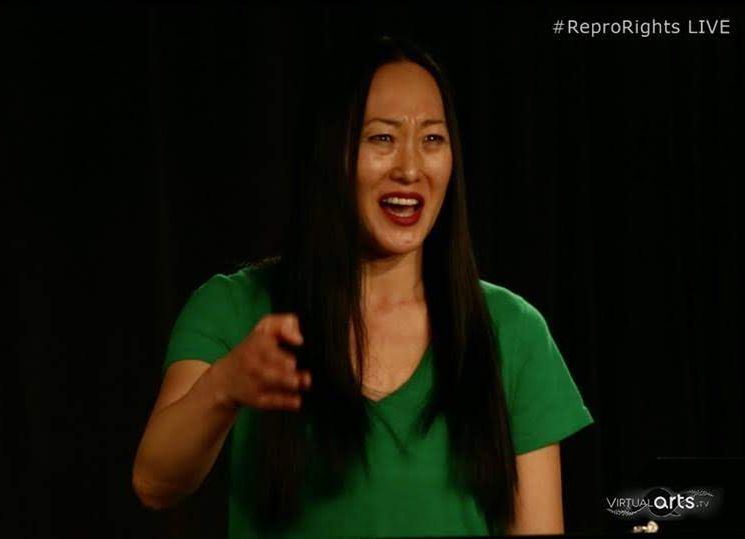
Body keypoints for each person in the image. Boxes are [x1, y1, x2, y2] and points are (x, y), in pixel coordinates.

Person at [133, 33, 594, 537]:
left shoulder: (513, 331)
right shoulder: (234, 308)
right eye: (382, 138)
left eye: (432, 139)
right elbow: (154, 483)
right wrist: (224, 387)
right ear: (330, 152)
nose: (410, 168)